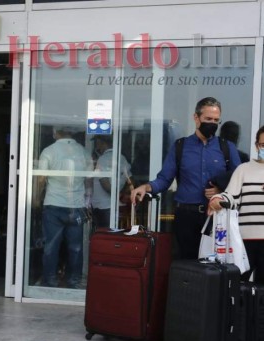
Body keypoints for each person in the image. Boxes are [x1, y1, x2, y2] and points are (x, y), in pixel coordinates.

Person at [131, 97, 241, 259]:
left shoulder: (226, 148)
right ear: (196, 118)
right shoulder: (180, 146)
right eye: (208, 119)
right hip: (186, 216)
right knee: (186, 267)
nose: (212, 124)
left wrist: (220, 190)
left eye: (216, 120)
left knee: (215, 267)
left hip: (216, 216)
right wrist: (145, 187)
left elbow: (238, 179)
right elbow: (164, 179)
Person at [37, 126, 91, 288]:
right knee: (75, 248)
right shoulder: (83, 152)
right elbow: (89, 180)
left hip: (53, 203)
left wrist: (35, 198)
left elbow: (41, 178)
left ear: (56, 132)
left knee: (51, 246)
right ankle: (73, 281)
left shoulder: (49, 151)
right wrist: (87, 200)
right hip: (76, 204)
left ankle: (50, 280)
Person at [208, 126, 264, 284]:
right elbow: (231, 196)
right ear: (256, 145)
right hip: (245, 241)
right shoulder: (243, 170)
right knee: (237, 285)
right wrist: (218, 199)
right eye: (263, 145)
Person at [90, 134, 131, 229]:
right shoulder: (121, 157)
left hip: (103, 206)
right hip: (115, 206)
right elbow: (130, 180)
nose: (96, 147)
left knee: (103, 237)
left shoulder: (102, 159)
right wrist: (123, 195)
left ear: (102, 143)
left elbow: (106, 185)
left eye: (97, 143)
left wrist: (118, 194)